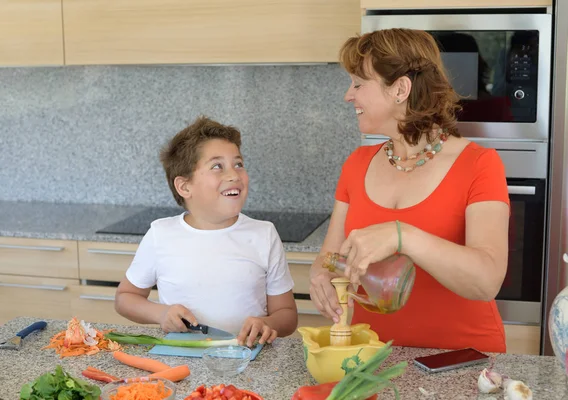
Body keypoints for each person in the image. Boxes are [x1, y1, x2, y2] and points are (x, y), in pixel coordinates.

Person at [309, 28, 510, 353]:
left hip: (462, 361)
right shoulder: (356, 164)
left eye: (358, 84)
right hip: (371, 358)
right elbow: (330, 257)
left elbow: (487, 281)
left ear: (400, 89)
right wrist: (321, 275)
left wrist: (402, 236)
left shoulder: (479, 164)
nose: (349, 95)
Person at [115, 116, 298, 347]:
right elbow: (124, 299)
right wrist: (161, 314)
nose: (234, 175)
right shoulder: (161, 234)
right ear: (185, 186)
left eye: (238, 164)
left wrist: (269, 324)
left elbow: (287, 315)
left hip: (249, 359)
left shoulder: (264, 234)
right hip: (183, 361)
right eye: (217, 166)